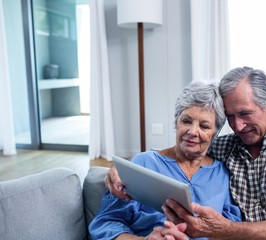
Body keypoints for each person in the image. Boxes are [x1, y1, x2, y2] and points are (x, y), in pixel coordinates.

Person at [105, 67, 266, 240]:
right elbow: (182, 153)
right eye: (231, 117)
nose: (238, 126)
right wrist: (119, 171)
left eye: (245, 113)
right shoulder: (226, 148)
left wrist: (224, 230)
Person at [89, 81, 242, 240]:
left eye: (204, 126)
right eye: (186, 121)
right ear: (177, 122)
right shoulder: (144, 163)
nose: (192, 132)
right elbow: (105, 223)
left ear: (215, 134)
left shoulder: (222, 174)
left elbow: (230, 229)